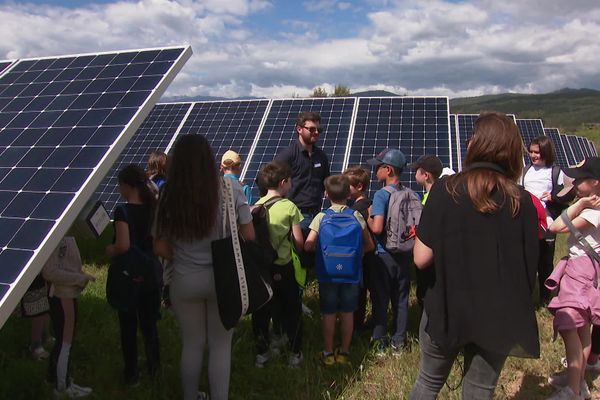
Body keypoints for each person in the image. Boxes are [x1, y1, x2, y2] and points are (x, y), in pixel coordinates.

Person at [409, 112, 540, 399]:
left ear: (476, 145)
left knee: (428, 382)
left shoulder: (447, 189)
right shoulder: (523, 201)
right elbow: (529, 267)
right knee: (480, 391)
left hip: (446, 307)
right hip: (499, 314)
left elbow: (420, 258)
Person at [153, 134, 254, 400]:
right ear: (210, 160)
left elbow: (160, 247)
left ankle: (190, 396)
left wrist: (183, 256)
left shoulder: (167, 194)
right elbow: (250, 234)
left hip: (185, 279)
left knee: (192, 344)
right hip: (224, 280)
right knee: (221, 346)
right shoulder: (229, 189)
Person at [545, 157, 600, 400]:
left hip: (580, 272)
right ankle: (577, 381)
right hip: (586, 271)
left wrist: (579, 205)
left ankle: (573, 390)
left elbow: (556, 226)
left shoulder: (593, 212)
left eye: (580, 179)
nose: (575, 183)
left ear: (595, 182)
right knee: (582, 329)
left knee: (569, 326)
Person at [304, 174, 374, 365]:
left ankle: (327, 352)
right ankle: (344, 352)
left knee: (328, 312)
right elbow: (369, 245)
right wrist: (354, 257)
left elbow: (309, 245)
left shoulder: (321, 217)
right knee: (347, 312)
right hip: (351, 274)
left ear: (327, 195)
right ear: (348, 194)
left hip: (327, 274)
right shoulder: (357, 216)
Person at [106, 165, 161, 386]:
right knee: (150, 326)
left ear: (128, 186)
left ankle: (132, 375)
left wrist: (110, 250)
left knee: (128, 326)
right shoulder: (154, 208)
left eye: (120, 185)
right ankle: (154, 369)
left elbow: (123, 245)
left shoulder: (123, 211)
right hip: (150, 273)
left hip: (129, 276)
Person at [251, 161, 305, 368]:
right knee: (292, 309)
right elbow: (298, 241)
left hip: (262, 269)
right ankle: (294, 352)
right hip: (284, 266)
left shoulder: (256, 206)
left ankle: (262, 352)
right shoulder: (289, 206)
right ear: (283, 183)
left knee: (263, 310)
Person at [365, 148, 413, 351]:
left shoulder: (381, 195)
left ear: (388, 170)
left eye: (378, 166)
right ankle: (399, 341)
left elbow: (376, 228)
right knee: (401, 300)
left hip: (384, 255)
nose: (375, 170)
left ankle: (379, 341)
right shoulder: (410, 193)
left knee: (380, 298)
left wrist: (367, 215)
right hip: (405, 255)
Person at [42, 236, 95, 398]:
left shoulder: (64, 234)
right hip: (62, 296)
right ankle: (62, 386)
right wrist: (79, 278)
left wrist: (80, 276)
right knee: (66, 342)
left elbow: (66, 265)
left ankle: (54, 377)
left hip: (67, 294)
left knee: (63, 340)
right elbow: (49, 271)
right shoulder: (55, 237)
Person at [523, 136, 571, 305]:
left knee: (545, 261)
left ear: (546, 152)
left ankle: (545, 298)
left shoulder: (556, 172)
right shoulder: (525, 170)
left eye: (537, 152)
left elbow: (568, 193)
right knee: (528, 259)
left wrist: (553, 197)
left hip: (548, 222)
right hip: (527, 221)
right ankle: (527, 296)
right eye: (531, 152)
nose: (533, 155)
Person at [275, 111, 330, 236]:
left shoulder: (321, 156)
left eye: (319, 129)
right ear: (299, 129)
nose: (316, 132)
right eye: (311, 129)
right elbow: (269, 181)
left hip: (317, 214)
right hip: (295, 215)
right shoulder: (287, 155)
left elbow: (326, 182)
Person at [343, 166, 376, 332]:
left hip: (362, 258)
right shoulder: (370, 204)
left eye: (347, 186)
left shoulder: (356, 210)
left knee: (359, 293)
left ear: (359, 187)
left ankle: (357, 327)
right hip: (372, 256)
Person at [411, 154, 443, 308]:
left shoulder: (432, 199)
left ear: (426, 175)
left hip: (429, 256)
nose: (414, 173)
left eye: (417, 170)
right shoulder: (437, 196)